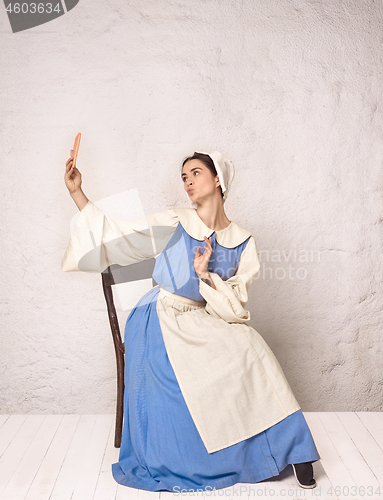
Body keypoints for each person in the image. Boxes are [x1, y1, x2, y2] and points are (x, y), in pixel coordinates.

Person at [62, 150, 321, 492]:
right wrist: (77, 192)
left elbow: (235, 306)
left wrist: (205, 276)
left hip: (202, 315)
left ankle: (296, 450)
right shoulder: (176, 220)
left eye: (195, 173)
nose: (187, 182)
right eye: (184, 177)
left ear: (217, 180)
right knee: (181, 381)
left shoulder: (243, 241)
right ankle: (204, 457)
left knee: (250, 347)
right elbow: (118, 235)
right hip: (160, 315)